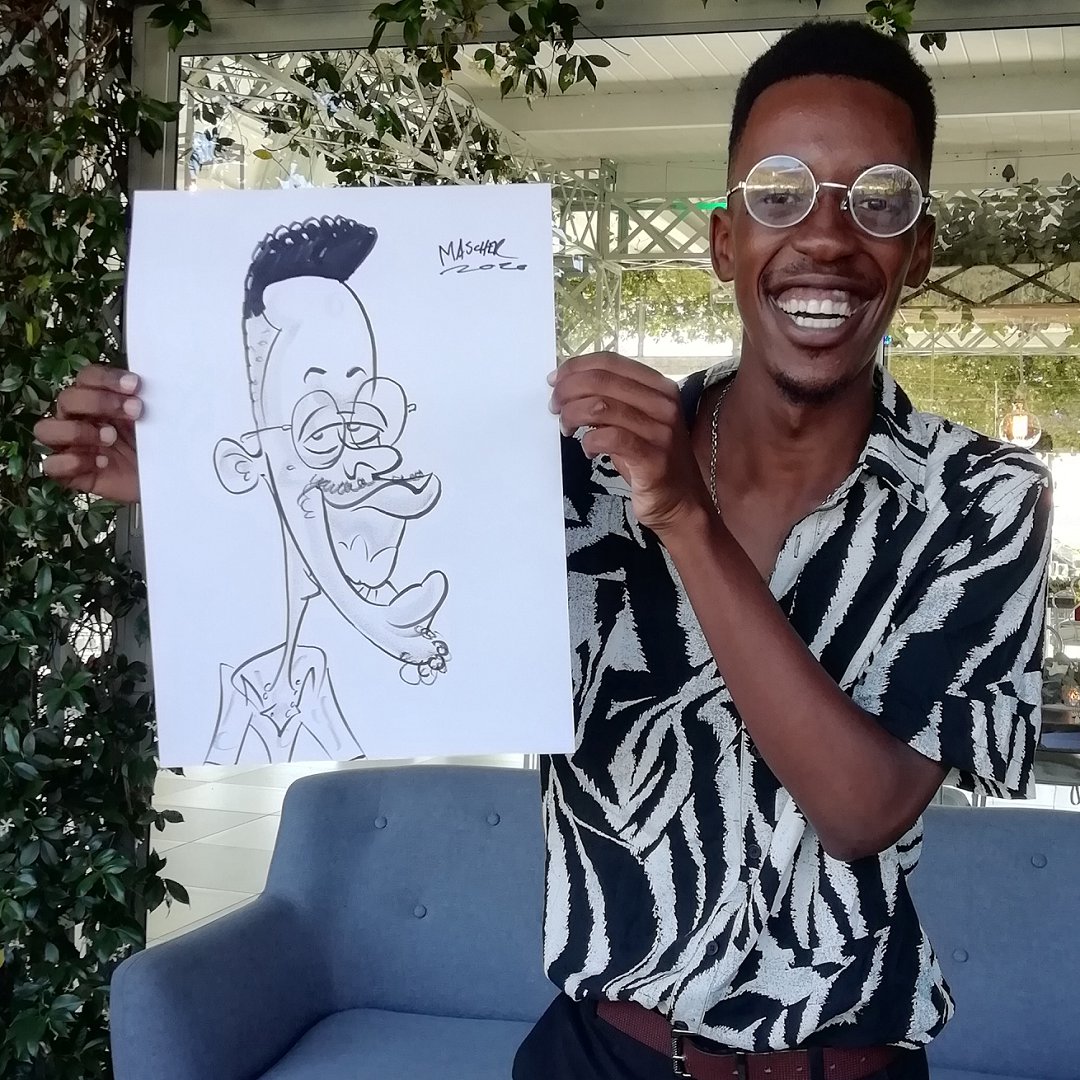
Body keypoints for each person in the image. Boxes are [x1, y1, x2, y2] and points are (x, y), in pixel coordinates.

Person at [36, 19, 1050, 1080]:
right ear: (723, 243)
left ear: (920, 249)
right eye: (779, 193)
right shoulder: (566, 471)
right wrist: (184, 479)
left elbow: (862, 809)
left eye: (879, 199)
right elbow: (375, 585)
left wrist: (685, 519)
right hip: (593, 1053)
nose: (827, 237)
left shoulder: (981, 503)